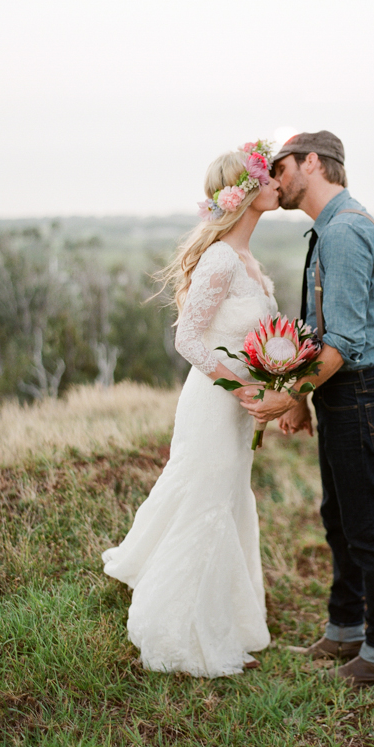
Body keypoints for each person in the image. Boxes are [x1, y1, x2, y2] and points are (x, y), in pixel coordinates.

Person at [102, 140, 280, 678]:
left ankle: (223, 621)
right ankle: (177, 634)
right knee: (205, 504)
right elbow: (189, 340)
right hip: (213, 404)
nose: (278, 183)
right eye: (268, 177)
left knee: (227, 504)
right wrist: (238, 386)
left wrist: (275, 380)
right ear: (246, 192)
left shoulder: (248, 260)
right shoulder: (222, 258)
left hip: (239, 407)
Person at [242, 131, 374, 687]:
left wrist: (289, 393)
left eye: (282, 167)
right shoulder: (330, 229)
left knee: (366, 528)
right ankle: (344, 630)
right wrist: (307, 397)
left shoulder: (345, 231)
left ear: (313, 162)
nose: (276, 179)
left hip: (361, 392)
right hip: (343, 393)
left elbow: (345, 342)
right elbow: (322, 331)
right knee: (339, 520)